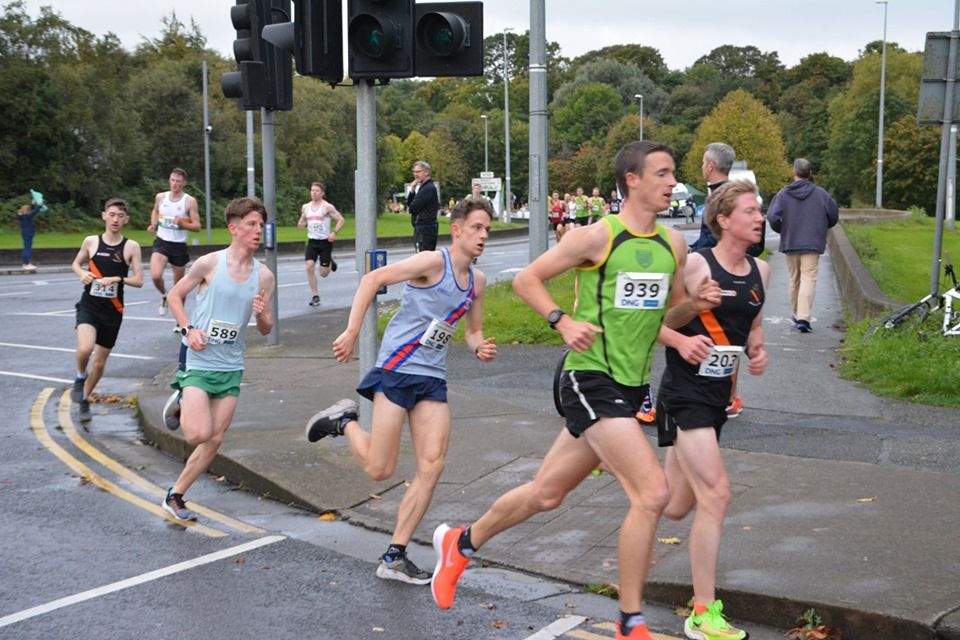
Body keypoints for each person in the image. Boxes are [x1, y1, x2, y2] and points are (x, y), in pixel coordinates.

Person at [429, 141, 721, 640]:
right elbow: (528, 279)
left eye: (674, 174)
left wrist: (692, 307)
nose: (673, 182)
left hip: (629, 387)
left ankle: (461, 542)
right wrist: (562, 321)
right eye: (664, 173)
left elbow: (662, 317)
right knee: (651, 494)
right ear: (632, 179)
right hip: (588, 376)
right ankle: (630, 622)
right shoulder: (598, 236)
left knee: (546, 494)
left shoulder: (674, 245)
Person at [305, 197, 498, 585]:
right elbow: (372, 280)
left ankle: (395, 554)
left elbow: (472, 329)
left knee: (433, 464)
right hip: (396, 369)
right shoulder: (431, 262)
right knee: (381, 469)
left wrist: (478, 346)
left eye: (488, 230)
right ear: (457, 229)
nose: (483, 236)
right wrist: (352, 331)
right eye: (476, 228)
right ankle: (343, 423)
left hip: (431, 378)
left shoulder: (477, 282)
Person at [656, 180, 769, 640]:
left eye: (759, 212)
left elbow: (753, 328)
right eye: (749, 212)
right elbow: (656, 322)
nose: (759, 218)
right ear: (723, 220)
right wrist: (691, 312)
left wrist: (759, 353)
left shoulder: (763, 269)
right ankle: (703, 612)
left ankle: (622, 461)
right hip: (684, 392)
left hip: (718, 396)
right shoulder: (698, 263)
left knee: (676, 506)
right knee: (717, 495)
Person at [161, 197, 275, 521]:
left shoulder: (264, 277)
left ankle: (176, 494)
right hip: (199, 357)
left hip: (231, 364)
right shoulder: (210, 264)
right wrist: (187, 330)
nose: (257, 231)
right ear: (234, 228)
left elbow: (266, 329)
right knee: (197, 434)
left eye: (260, 225)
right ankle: (183, 396)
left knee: (215, 438)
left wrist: (263, 314)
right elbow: (174, 295)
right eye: (251, 224)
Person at [70, 198, 144, 422]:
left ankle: (84, 398)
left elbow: (139, 280)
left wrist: (118, 278)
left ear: (126, 220)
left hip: (113, 311)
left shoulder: (131, 247)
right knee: (85, 349)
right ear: (104, 216)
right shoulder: (91, 242)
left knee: (100, 362)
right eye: (112, 214)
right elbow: (75, 264)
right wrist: (82, 274)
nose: (115, 219)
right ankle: (80, 376)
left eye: (120, 216)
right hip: (89, 305)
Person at [767, 158, 839, 334]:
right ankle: (803, 317)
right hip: (812, 243)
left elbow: (772, 216)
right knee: (808, 278)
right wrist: (821, 226)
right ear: (810, 173)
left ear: (794, 172)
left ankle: (797, 314)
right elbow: (833, 215)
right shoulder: (821, 194)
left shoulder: (783, 194)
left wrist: (782, 229)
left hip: (791, 241)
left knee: (795, 278)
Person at [148, 168, 201, 316]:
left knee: (179, 287)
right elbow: (155, 211)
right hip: (162, 242)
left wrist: (183, 225)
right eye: (172, 180)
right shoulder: (160, 197)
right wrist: (154, 224)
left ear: (184, 183)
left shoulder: (189, 201)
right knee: (155, 276)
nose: (174, 184)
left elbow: (197, 226)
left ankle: (179, 318)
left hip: (178, 246)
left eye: (178, 181)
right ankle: (165, 295)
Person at [298, 181, 344, 307]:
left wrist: (334, 232)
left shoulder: (327, 207)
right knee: (309, 266)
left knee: (323, 274)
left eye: (317, 191)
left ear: (322, 193)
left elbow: (341, 219)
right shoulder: (306, 207)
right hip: (312, 241)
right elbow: (302, 221)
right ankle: (315, 296)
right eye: (312, 190)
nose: (314, 193)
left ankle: (329, 261)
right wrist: (302, 224)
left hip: (325, 242)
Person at [689, 143, 735, 253]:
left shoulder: (720, 198)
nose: (702, 167)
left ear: (710, 167)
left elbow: (714, 237)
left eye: (703, 163)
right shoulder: (731, 193)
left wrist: (694, 252)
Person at [407, 160, 440, 253]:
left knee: (422, 259)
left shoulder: (428, 188)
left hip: (425, 229)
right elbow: (410, 205)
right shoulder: (423, 187)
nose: (415, 174)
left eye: (418, 172)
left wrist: (412, 204)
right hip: (423, 228)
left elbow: (412, 208)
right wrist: (412, 190)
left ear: (426, 172)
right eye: (414, 172)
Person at [18, 189, 46, 269]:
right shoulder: (27, 216)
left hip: (25, 233)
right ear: (27, 211)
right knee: (27, 248)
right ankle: (26, 264)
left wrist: (32, 204)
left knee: (26, 247)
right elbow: (35, 211)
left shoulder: (22, 216)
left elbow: (32, 211)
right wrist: (39, 204)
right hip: (28, 233)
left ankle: (25, 263)